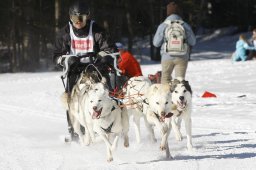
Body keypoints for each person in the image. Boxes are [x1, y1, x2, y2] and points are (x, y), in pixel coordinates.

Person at [53, 0, 117, 140]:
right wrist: (66, 60)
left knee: (107, 91)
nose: (78, 21)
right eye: (75, 18)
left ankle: (111, 124)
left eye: (81, 18)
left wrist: (104, 56)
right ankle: (73, 128)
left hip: (96, 67)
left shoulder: (97, 30)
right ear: (70, 17)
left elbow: (111, 49)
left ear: (87, 16)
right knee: (70, 96)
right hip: (75, 69)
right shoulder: (64, 33)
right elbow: (56, 56)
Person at [153, 0, 196, 84]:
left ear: (168, 12)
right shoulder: (185, 25)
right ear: (179, 12)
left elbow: (156, 43)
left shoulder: (163, 25)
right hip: (182, 56)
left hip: (166, 56)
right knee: (179, 82)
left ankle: (166, 96)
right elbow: (193, 42)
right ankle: (177, 96)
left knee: (165, 81)